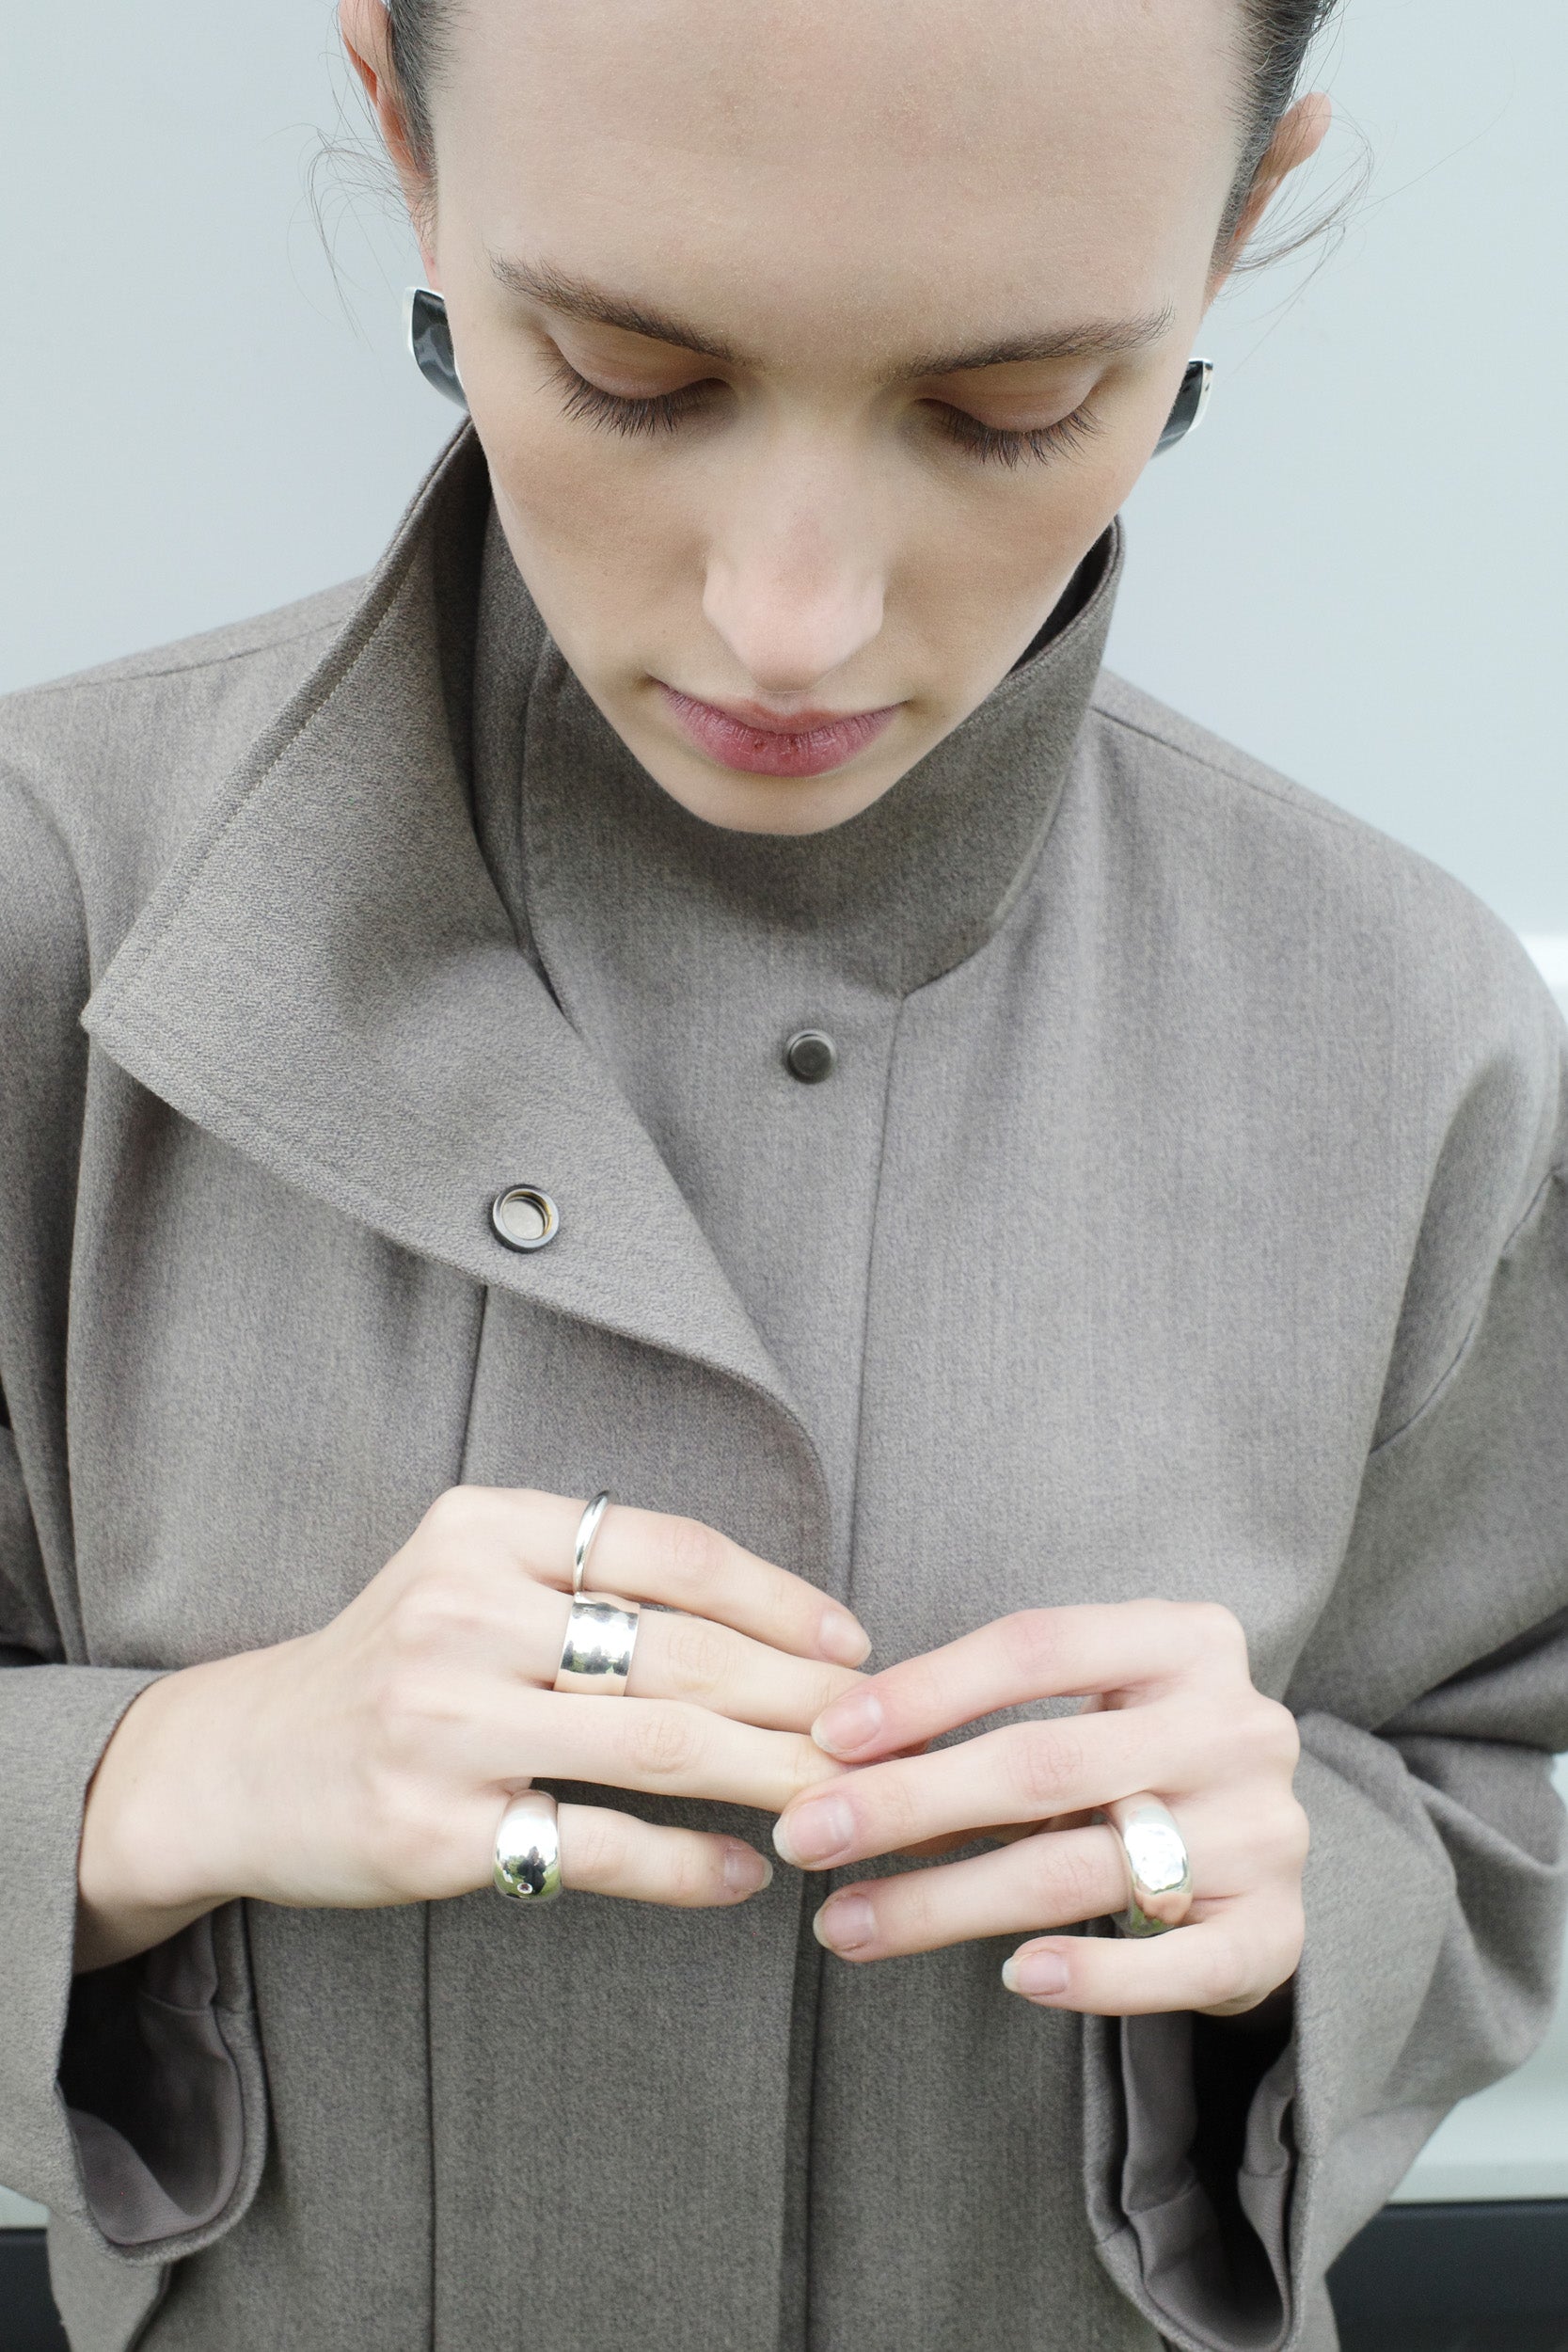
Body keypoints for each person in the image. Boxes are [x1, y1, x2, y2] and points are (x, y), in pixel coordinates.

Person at [0, 0, 1563, 2345]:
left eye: (1011, 406)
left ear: (1241, 227)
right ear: (404, 136)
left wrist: (1297, 1886)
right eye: (631, 371)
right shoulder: (48, 899)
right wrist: (162, 1776)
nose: (791, 619)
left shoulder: (1407, 1028)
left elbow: (1493, 1788)